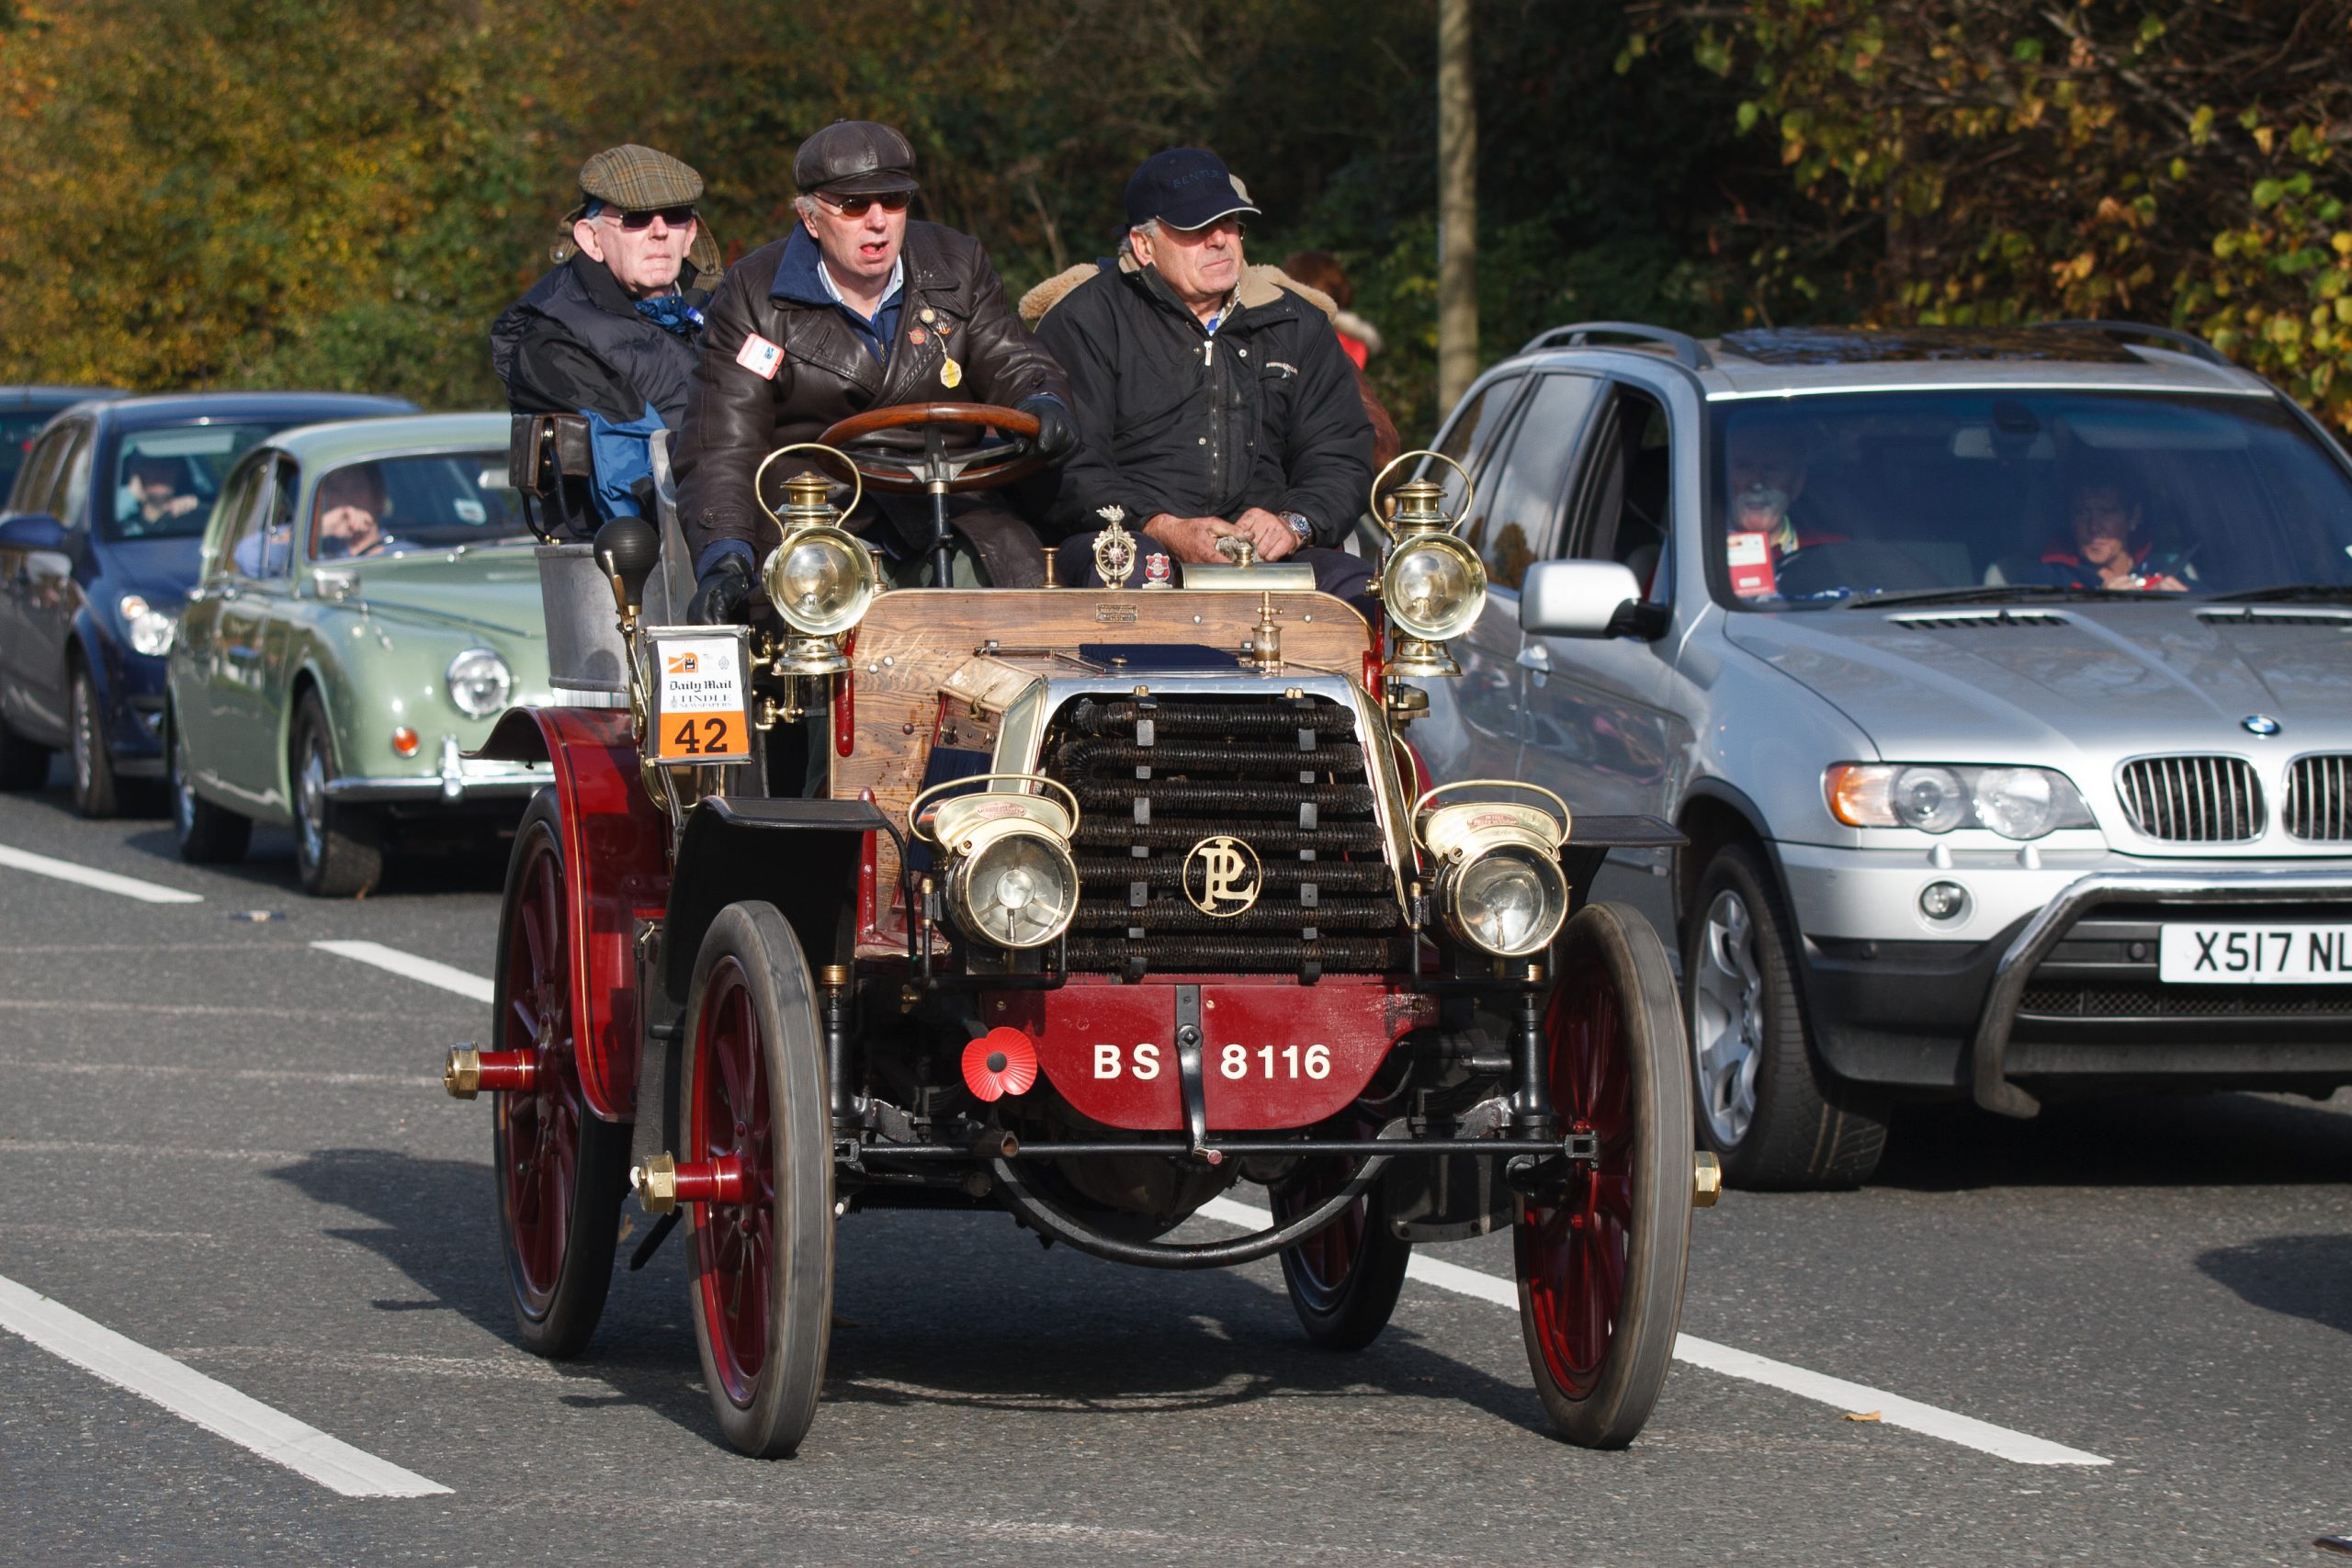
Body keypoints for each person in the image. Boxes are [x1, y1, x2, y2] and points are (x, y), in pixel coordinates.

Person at [674, 119, 1077, 614]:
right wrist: (725, 556)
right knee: (817, 623)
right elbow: (722, 443)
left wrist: (1044, 399)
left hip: (950, 504)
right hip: (819, 515)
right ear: (810, 218)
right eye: (853, 205)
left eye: (894, 200)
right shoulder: (753, 294)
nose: (878, 220)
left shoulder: (958, 264)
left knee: (1020, 602)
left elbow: (1013, 358)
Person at [1023, 148, 1375, 604]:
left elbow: (1340, 451)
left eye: (1230, 222)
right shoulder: (1084, 321)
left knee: (1366, 595)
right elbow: (1066, 467)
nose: (1220, 239)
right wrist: (1163, 527)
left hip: (1268, 552)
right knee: (1128, 574)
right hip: (1127, 539)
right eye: (1195, 227)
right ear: (1144, 245)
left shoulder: (1295, 323)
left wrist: (1295, 523)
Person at [490, 144, 718, 526]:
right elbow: (634, 475)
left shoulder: (724, 312)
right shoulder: (552, 341)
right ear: (590, 238)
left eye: (675, 216)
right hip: (634, 564)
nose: (659, 231)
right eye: (636, 219)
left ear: (691, 234)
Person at [2037, 473, 2188, 592]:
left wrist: (2179, 601)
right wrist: (2099, 604)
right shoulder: (2049, 580)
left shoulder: (2163, 570)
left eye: (2106, 513)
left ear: (2133, 516)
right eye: (2082, 513)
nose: (2094, 527)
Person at [314, 464, 391, 558]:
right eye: (337, 490)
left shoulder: (403, 553)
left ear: (377, 497)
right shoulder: (316, 555)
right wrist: (317, 528)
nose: (347, 498)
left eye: (357, 488)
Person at [122, 454, 198, 528]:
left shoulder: (199, 519)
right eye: (150, 465)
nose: (160, 472)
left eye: (167, 465)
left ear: (180, 472)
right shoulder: (124, 529)